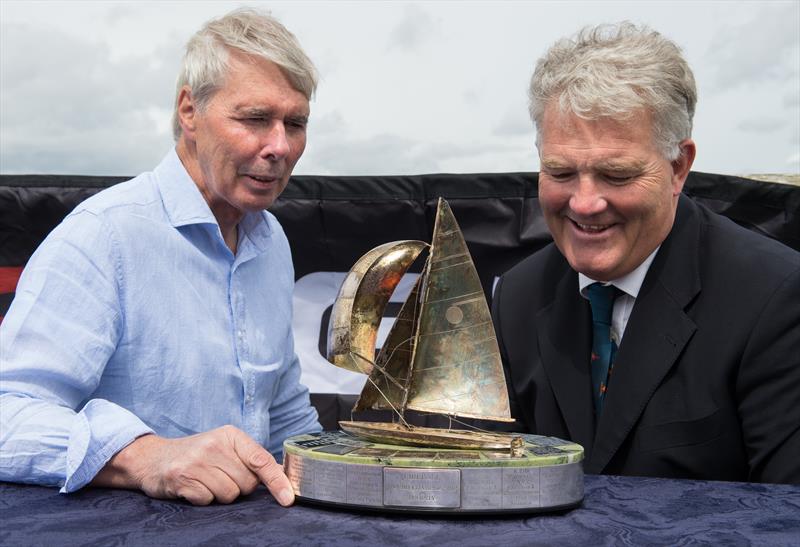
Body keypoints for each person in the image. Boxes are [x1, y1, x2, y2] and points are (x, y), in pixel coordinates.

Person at [0, 8, 322, 505]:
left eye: (295, 123)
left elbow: (284, 417)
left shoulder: (270, 240)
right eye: (255, 118)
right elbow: (8, 412)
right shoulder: (104, 235)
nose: (279, 146)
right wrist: (146, 457)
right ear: (189, 111)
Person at [491, 22, 800, 484]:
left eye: (616, 175)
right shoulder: (516, 297)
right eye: (560, 172)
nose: (584, 203)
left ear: (678, 168)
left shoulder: (775, 301)